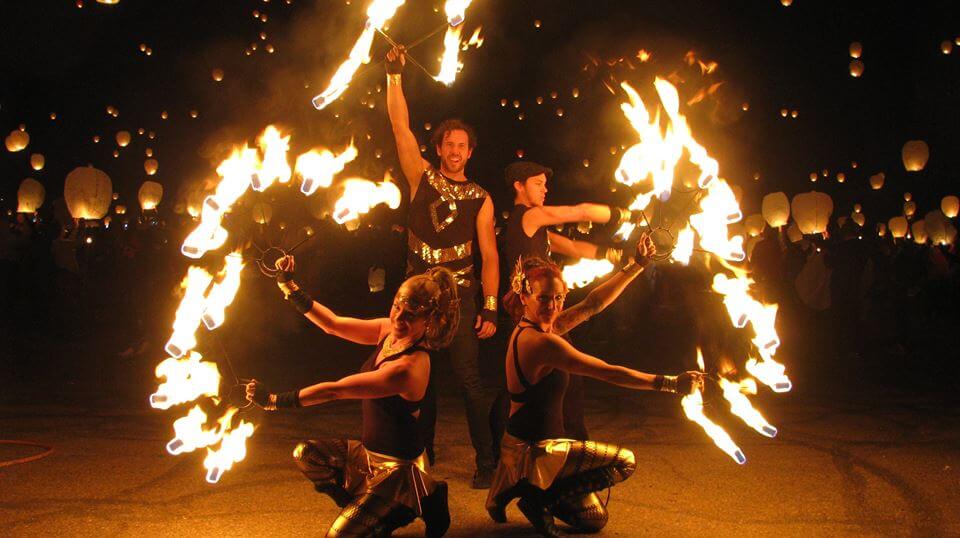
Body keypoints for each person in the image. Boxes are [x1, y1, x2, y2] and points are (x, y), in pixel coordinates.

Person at [485, 254, 703, 537]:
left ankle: (529, 490)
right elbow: (608, 372)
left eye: (559, 298)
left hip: (525, 446)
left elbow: (592, 305)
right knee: (626, 461)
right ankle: (537, 499)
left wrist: (636, 265)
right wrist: (670, 383)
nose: (553, 306)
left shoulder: (538, 328)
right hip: (537, 452)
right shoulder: (541, 342)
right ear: (525, 296)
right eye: (544, 299)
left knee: (594, 519)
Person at [246, 255, 457, 537]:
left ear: (429, 320)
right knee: (307, 455)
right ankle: (366, 510)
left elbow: (336, 390)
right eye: (397, 307)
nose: (399, 318)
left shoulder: (410, 367)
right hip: (367, 456)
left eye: (410, 314)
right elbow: (333, 324)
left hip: (399, 474)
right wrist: (289, 286)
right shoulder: (388, 330)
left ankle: (423, 498)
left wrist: (274, 401)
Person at [385, 46, 499, 487]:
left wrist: (489, 308)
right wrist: (394, 74)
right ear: (439, 149)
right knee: (419, 378)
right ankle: (421, 456)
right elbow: (399, 125)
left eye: (461, 146)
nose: (454, 151)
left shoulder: (481, 198)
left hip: (463, 298)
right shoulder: (420, 177)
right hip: (418, 299)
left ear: (470, 152)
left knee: (470, 381)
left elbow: (489, 256)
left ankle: (487, 461)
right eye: (448, 144)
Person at [491, 161, 640, 444]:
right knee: (559, 380)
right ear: (518, 186)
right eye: (538, 183)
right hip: (529, 312)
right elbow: (580, 211)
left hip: (540, 312)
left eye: (545, 184)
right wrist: (626, 214)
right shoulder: (528, 216)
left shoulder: (536, 229)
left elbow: (573, 248)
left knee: (530, 385)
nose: (545, 189)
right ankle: (566, 445)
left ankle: (513, 448)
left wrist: (618, 256)